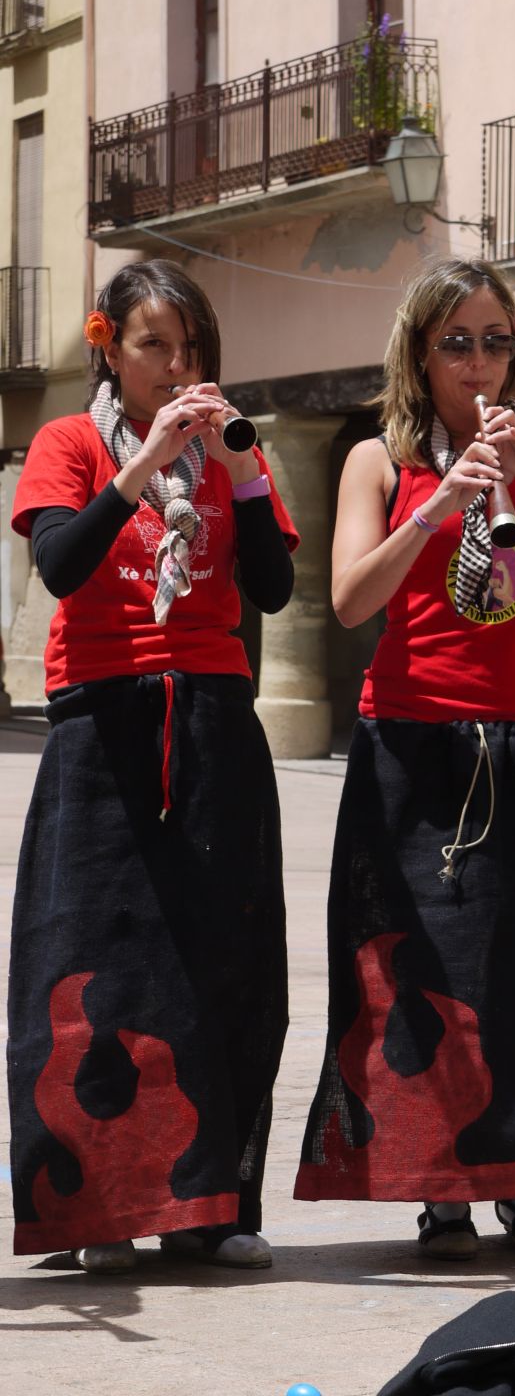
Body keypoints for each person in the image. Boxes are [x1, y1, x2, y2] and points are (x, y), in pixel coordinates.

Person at [294, 256, 515, 1259]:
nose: (479, 363)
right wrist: (439, 504)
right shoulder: (376, 459)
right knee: (422, 973)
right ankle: (439, 1189)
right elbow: (350, 599)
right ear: (421, 355)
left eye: (495, 342)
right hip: (412, 744)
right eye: (457, 344)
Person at [7, 261, 298, 1274]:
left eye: (192, 347)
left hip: (212, 713)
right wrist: (142, 466)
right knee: (95, 965)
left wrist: (243, 473)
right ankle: (98, 1208)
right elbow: (60, 564)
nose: (178, 366)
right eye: (154, 345)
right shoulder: (69, 441)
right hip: (103, 720)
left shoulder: (231, 454)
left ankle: (209, 1204)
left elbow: (272, 589)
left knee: (225, 959)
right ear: (111, 348)